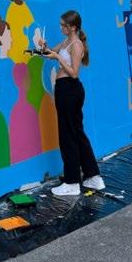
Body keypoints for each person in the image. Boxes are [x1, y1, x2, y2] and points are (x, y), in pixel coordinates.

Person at [40, 10, 104, 196]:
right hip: (65, 90)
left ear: (73, 27)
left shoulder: (76, 45)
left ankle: (72, 182)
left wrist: (58, 58)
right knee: (77, 133)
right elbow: (50, 53)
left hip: (69, 90)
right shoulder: (66, 42)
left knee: (68, 135)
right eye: (61, 24)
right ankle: (93, 177)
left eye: (64, 25)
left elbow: (74, 72)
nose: (61, 28)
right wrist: (44, 47)